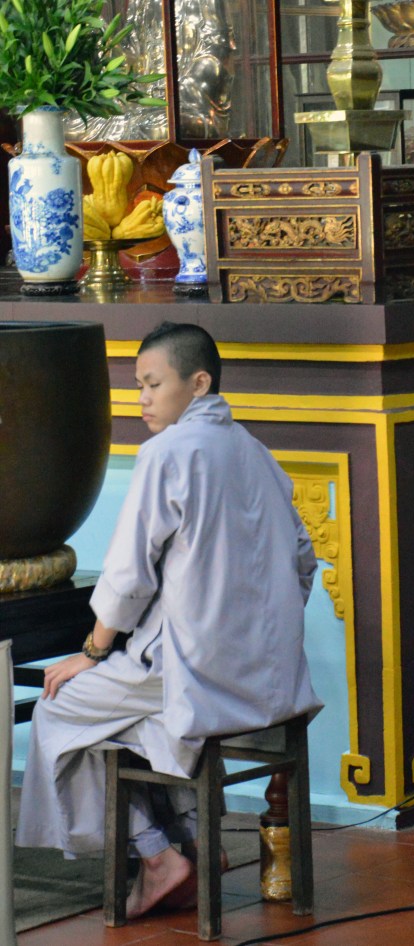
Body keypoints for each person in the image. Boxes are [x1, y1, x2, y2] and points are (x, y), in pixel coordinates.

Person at [15, 321, 322, 918]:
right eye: (139, 386)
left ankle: (158, 857)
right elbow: (303, 563)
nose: (143, 398)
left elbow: (129, 575)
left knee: (58, 708)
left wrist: (94, 652)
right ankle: (196, 840)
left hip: (194, 671)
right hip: (271, 675)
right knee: (134, 722)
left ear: (199, 382)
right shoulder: (256, 453)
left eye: (153, 383)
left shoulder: (167, 453)